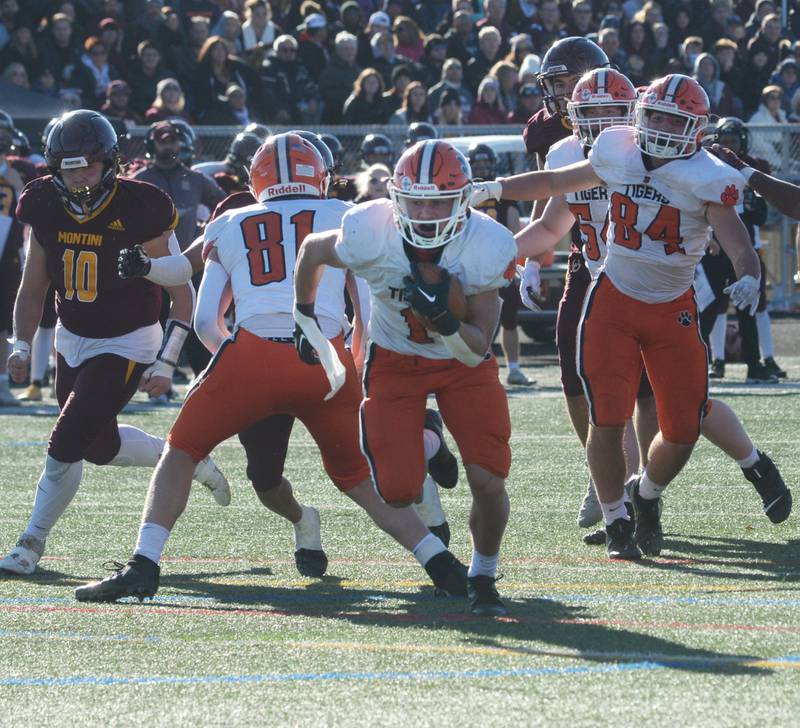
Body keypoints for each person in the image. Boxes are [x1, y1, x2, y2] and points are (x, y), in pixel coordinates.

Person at [74, 134, 469, 602]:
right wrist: (356, 365)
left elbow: (187, 286)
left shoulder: (232, 220)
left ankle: (145, 563)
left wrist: (146, 268)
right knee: (359, 479)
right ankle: (442, 565)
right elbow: (368, 311)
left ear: (256, 179)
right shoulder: (347, 214)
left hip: (253, 354)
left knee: (181, 451)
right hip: (326, 359)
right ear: (318, 175)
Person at [474, 75, 779, 560]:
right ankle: (616, 512)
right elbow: (552, 201)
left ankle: (661, 489)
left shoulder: (706, 172)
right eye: (653, 116)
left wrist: (748, 272)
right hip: (609, 293)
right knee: (605, 413)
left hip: (673, 298)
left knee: (682, 421)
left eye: (671, 119)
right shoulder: (612, 151)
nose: (657, 127)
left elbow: (739, 239)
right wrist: (498, 201)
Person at [293, 139, 517, 616]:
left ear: (463, 199)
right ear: (396, 195)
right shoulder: (370, 230)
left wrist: (449, 324)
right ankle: (429, 437)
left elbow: (479, 344)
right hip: (395, 359)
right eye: (415, 199)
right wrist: (305, 316)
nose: (425, 210)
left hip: (464, 366)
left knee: (489, 480)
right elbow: (312, 251)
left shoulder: (489, 242)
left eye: (438, 199)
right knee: (397, 490)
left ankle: (484, 573)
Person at [0, 110, 229, 576]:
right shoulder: (42, 201)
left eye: (89, 166)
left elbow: (180, 291)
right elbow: (34, 286)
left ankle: (30, 542)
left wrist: (166, 360)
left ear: (111, 163)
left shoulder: (140, 205)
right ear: (54, 167)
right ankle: (188, 460)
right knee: (96, 446)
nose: (81, 179)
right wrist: (22, 345)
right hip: (72, 335)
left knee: (66, 436)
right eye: (70, 168)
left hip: (128, 340)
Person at [522, 36, 611, 526]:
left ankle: (639, 485)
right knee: (571, 365)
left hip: (642, 256)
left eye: (562, 81)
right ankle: (601, 472)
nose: (554, 93)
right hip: (586, 250)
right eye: (551, 83)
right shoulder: (546, 134)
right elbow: (549, 192)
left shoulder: (629, 113)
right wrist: (535, 257)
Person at [132, 120, 226, 379]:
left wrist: (209, 231)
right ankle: (153, 376)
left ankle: (204, 377)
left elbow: (224, 206)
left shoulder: (195, 178)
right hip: (151, 266)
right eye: (163, 140)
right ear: (152, 144)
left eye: (173, 140)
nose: (169, 145)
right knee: (153, 324)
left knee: (195, 324)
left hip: (190, 263)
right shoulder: (141, 180)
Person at [701, 117, 783, 383]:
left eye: (733, 142)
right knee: (710, 307)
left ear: (743, 142)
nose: (729, 147)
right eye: (724, 142)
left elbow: (760, 217)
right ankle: (704, 361)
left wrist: (749, 203)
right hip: (714, 248)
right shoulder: (706, 165)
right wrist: (707, 239)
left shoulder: (753, 169)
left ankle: (754, 364)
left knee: (749, 306)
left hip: (744, 249)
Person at [467, 142, 531, 386]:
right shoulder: (464, 191)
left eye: (485, 162)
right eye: (478, 162)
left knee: (509, 318)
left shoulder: (502, 193)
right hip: (473, 265)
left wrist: (513, 258)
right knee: (476, 319)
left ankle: (513, 368)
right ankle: (474, 365)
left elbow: (514, 228)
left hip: (498, 263)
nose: (482, 166)